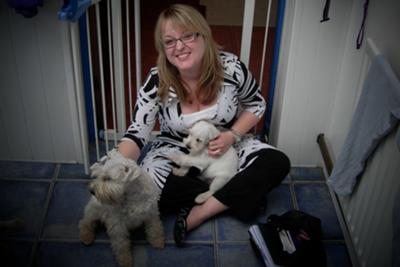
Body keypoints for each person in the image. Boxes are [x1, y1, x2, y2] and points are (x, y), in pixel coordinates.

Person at [118, 4, 291, 247]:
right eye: (169, 41)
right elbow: (136, 133)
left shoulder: (231, 67)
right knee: (140, 201)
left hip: (226, 147)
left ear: (203, 35)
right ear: (163, 48)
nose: (179, 47)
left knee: (277, 162)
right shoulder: (156, 80)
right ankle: (238, 196)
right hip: (178, 150)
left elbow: (256, 105)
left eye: (187, 36)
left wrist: (231, 135)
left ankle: (198, 214)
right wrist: (116, 167)